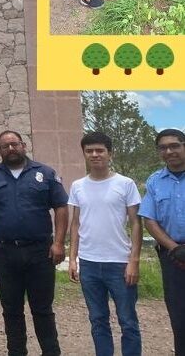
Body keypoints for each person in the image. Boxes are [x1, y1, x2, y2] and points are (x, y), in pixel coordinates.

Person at [0, 130, 68, 356]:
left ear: (23, 145)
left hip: (40, 252)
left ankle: (51, 352)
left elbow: (61, 207)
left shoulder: (44, 173)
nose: (11, 149)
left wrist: (59, 242)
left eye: (14, 144)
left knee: (43, 310)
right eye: (5, 146)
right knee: (11, 310)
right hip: (5, 252)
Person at [68, 132, 142, 356]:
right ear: (84, 154)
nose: (94, 155)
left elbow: (136, 224)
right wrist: (73, 258)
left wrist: (134, 261)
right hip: (89, 263)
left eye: (100, 150)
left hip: (119, 262)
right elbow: (75, 224)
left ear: (110, 153)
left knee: (128, 320)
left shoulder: (125, 184)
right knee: (98, 320)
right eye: (89, 151)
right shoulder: (78, 185)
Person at [139, 128, 185, 355]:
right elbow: (149, 219)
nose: (169, 151)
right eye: (163, 147)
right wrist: (174, 248)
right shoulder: (155, 181)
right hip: (173, 256)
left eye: (175, 145)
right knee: (179, 317)